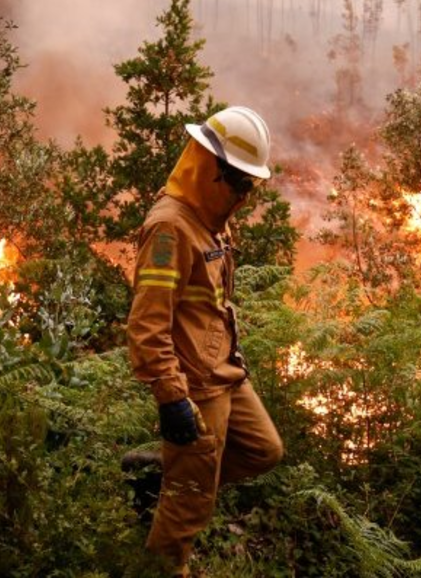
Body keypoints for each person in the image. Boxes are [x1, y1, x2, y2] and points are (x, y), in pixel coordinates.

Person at [125, 106, 284, 577]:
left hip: (225, 372)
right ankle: (160, 568)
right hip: (196, 385)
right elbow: (147, 326)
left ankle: (161, 474)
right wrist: (171, 399)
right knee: (188, 508)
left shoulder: (211, 217)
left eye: (247, 184)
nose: (243, 194)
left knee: (264, 451)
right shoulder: (170, 229)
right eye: (237, 181)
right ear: (208, 166)